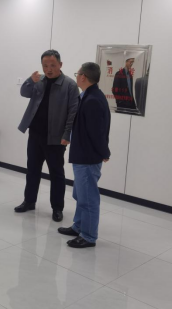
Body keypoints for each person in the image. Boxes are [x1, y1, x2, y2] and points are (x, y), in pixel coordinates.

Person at [15, 50, 79, 222]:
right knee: (32, 170)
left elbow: (73, 112)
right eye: (45, 66)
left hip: (56, 137)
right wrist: (30, 80)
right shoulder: (39, 80)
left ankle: (57, 208)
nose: (48, 69)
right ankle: (29, 201)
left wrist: (67, 134)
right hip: (35, 133)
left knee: (56, 173)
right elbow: (24, 92)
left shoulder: (70, 85)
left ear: (60, 65)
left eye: (52, 65)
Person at [58, 62, 111, 248]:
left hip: (88, 157)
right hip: (82, 154)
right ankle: (79, 226)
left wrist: (104, 152)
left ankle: (88, 236)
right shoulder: (88, 96)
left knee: (88, 198)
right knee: (80, 195)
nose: (77, 77)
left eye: (77, 74)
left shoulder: (93, 100)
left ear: (83, 77)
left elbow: (97, 132)